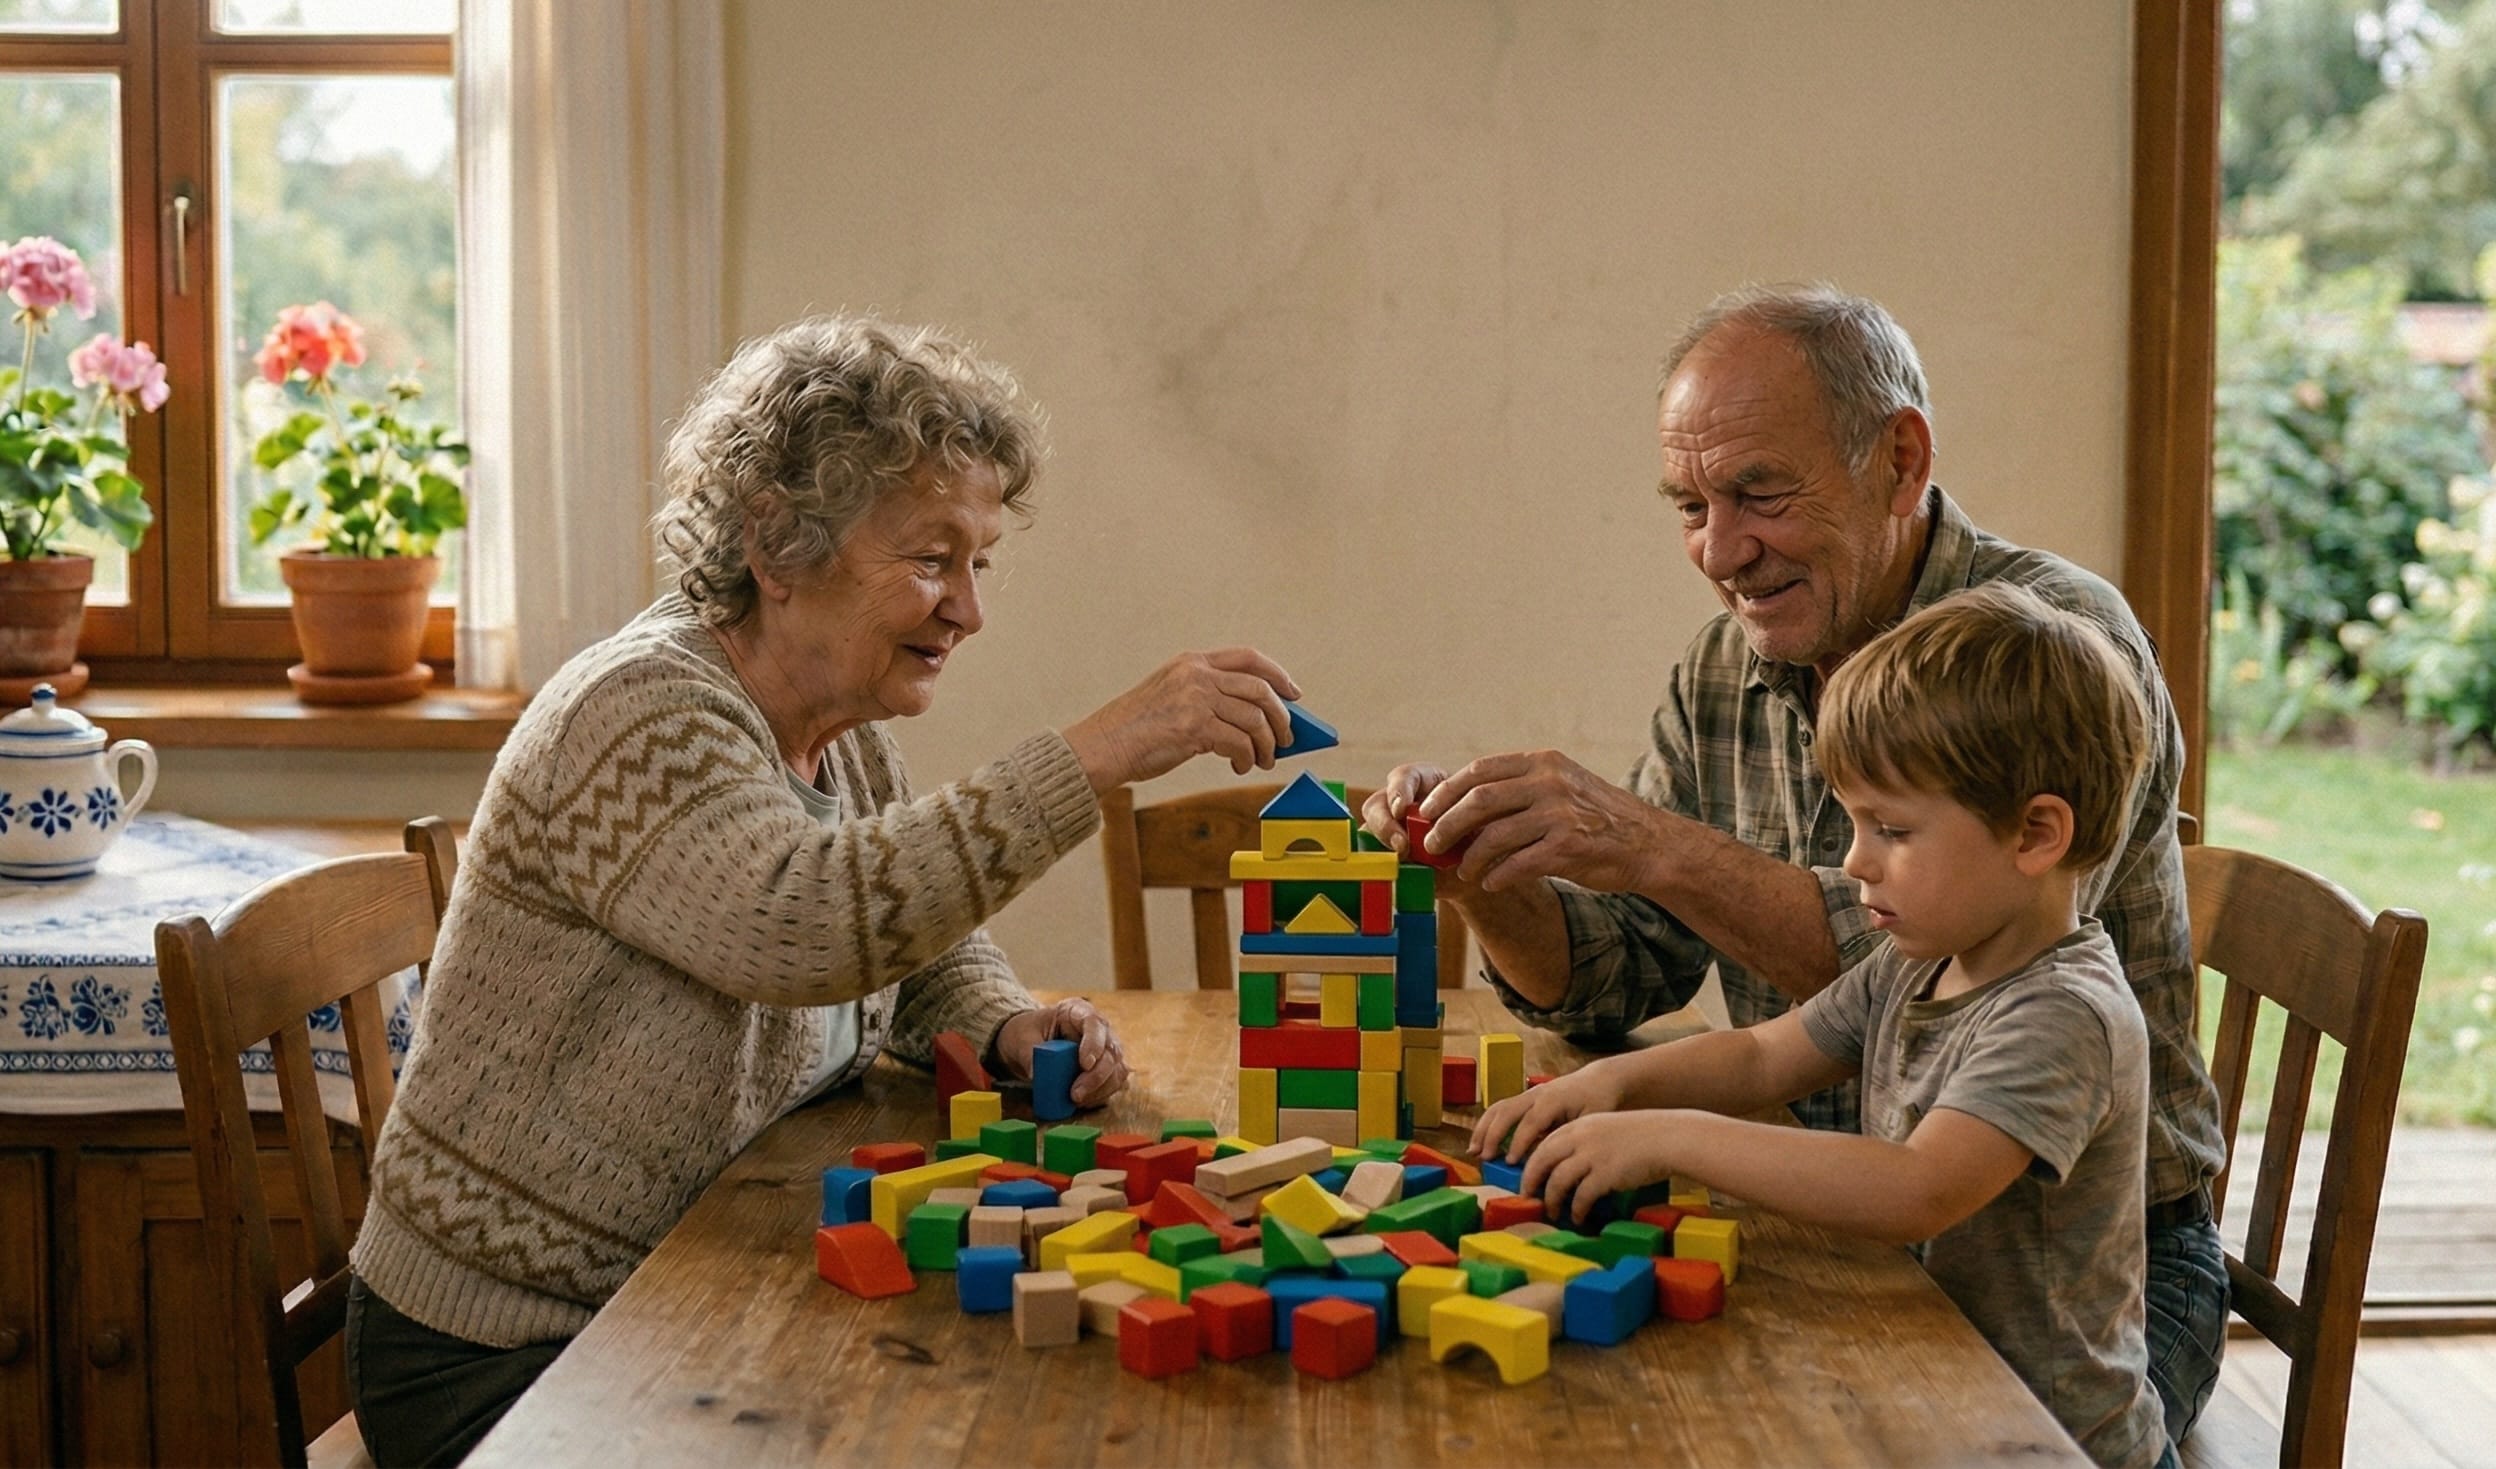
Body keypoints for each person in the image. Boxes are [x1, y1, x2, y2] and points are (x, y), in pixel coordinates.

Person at [345, 314, 1304, 1466]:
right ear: (777, 543)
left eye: (978, 561)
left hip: (671, 1291)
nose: (969, 608)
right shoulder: (641, 711)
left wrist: (1004, 1020)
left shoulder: (838, 734)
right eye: (930, 558)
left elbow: (911, 945)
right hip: (507, 1344)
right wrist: (1097, 753)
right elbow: (801, 923)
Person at [1365, 285, 2227, 1441]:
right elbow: (1634, 982)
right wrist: (1483, 874)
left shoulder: (2055, 654)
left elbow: (1920, 1115)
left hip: (2083, 1279)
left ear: (1899, 457)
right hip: (1860, 1222)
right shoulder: (1725, 668)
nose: (1721, 550)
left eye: (1758, 492)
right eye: (1690, 504)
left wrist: (1658, 849)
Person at [1473, 583, 2171, 1469]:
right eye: (1853, 819)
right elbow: (1767, 1055)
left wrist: (1674, 1136)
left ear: (2036, 833)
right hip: (1933, 1371)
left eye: (1892, 827)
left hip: (2045, 1433)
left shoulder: (2061, 1013)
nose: (1854, 859)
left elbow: (1915, 1188)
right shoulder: (1921, 953)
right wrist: (1611, 1082)